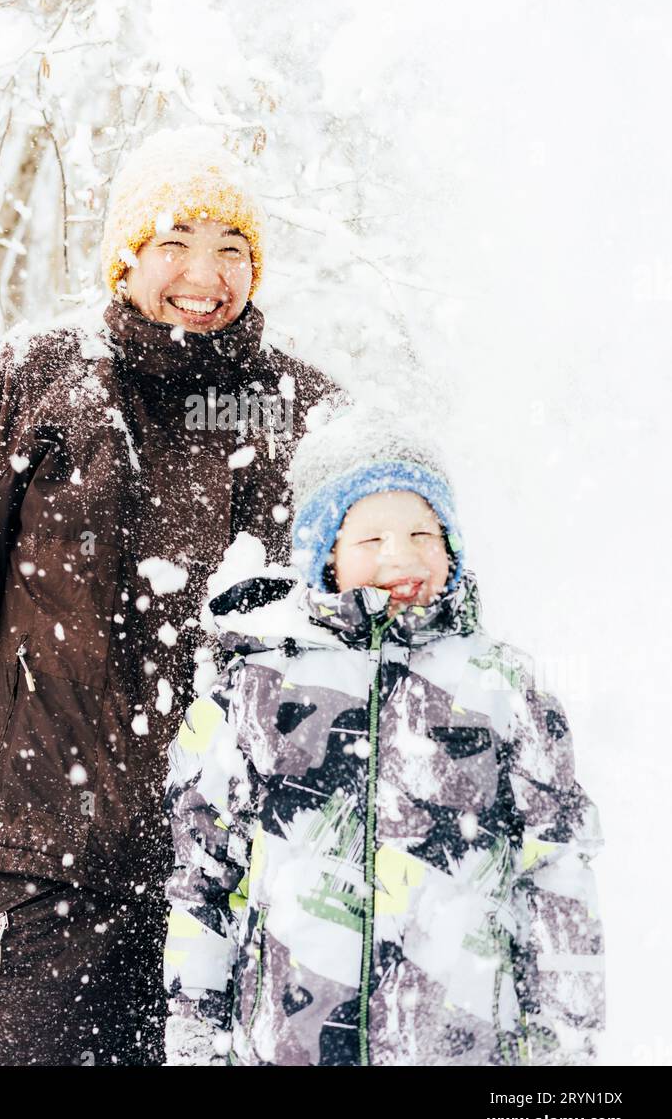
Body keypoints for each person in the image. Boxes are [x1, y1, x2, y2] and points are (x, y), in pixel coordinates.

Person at [0, 125, 342, 1066]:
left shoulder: (304, 415)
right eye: (177, 243)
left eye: (232, 248)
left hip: (231, 895)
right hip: (28, 884)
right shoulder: (29, 381)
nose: (206, 273)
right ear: (126, 256)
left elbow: (368, 635)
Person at [162, 402, 606, 1066]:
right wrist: (196, 1040)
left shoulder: (502, 685)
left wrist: (565, 1051)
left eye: (424, 533)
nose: (401, 556)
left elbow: (557, 872)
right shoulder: (255, 688)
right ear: (327, 557)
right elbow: (203, 880)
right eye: (369, 539)